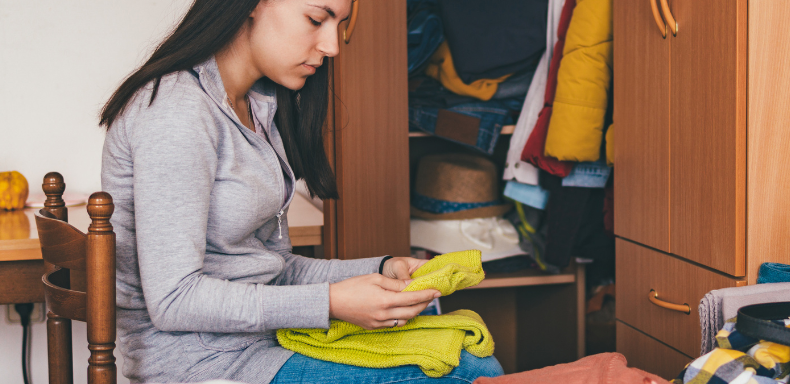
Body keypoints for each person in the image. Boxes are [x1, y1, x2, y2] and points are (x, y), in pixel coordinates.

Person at [98, 0, 504, 383]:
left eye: (339, 26)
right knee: (467, 369)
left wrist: (380, 269)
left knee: (464, 348)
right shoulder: (177, 111)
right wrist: (329, 302)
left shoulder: (255, 106)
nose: (331, 47)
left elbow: (271, 269)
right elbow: (174, 300)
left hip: (259, 345)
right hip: (201, 364)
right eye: (315, 19)